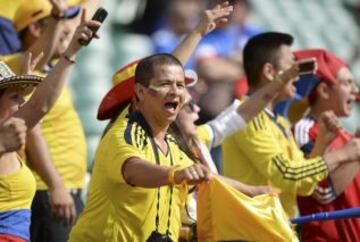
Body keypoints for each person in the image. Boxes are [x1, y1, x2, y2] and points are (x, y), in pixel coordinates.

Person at [69, 3, 234, 241]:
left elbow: (210, 178)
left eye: (180, 85)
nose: (178, 93)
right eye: (165, 84)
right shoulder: (123, 132)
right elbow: (134, 170)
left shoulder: (169, 140)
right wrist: (197, 32)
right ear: (138, 94)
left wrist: (255, 192)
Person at [222, 32, 360, 218]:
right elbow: (288, 175)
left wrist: (321, 143)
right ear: (270, 72)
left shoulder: (279, 121)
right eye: (292, 68)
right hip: (250, 233)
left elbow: (303, 186)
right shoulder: (247, 116)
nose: (298, 76)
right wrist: (344, 155)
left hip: (274, 232)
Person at [0, 12, 101, 242]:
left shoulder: (10, 131)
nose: (23, 103)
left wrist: (72, 51)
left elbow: (42, 104)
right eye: (15, 97)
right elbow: (39, 105)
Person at [291, 49, 360, 241]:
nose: (355, 90)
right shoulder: (303, 130)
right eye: (347, 83)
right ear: (323, 90)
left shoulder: (348, 137)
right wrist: (355, 154)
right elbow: (320, 192)